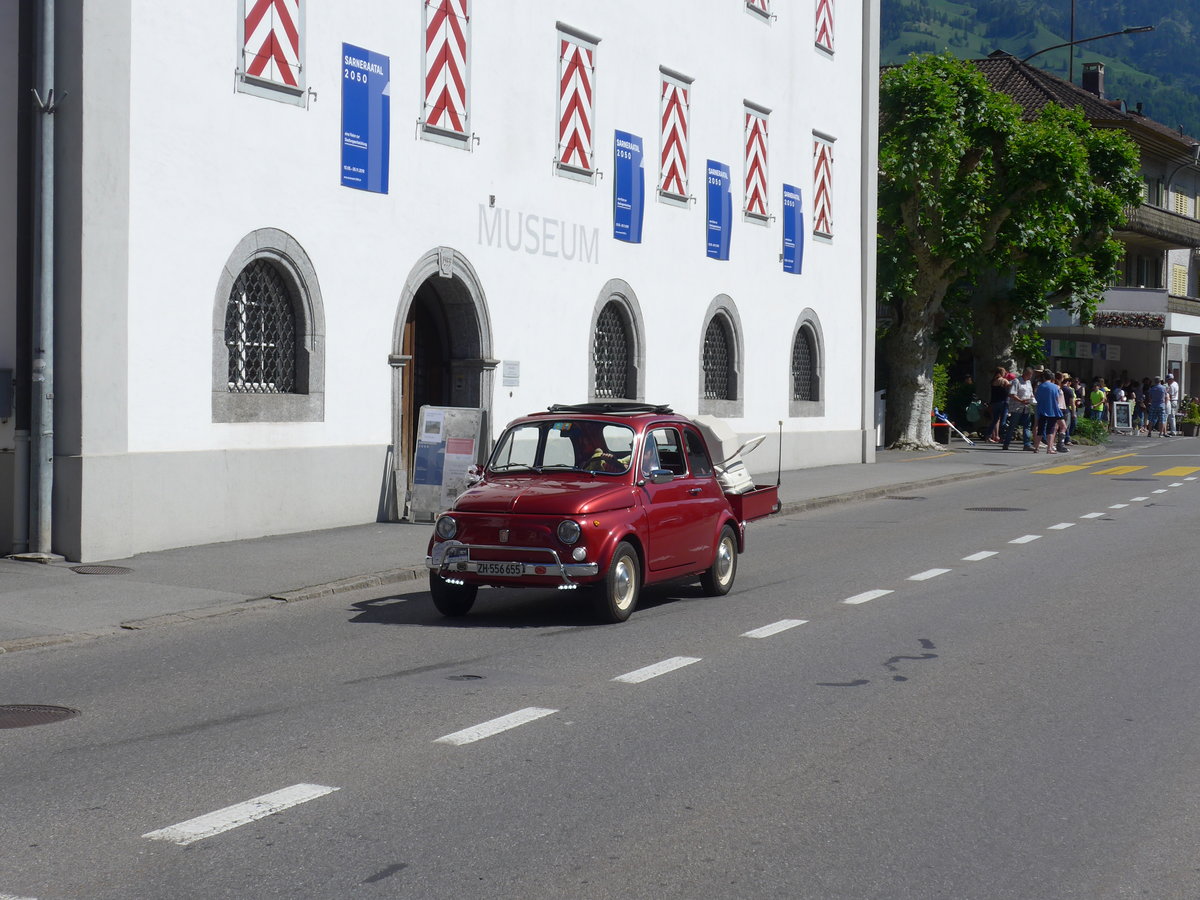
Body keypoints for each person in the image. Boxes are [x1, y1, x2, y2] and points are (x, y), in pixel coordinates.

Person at [1002, 366, 1034, 451]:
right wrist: (1020, 400)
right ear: (1026, 374)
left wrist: (1032, 398)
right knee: (1013, 425)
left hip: (1026, 407)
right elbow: (1012, 394)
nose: (1030, 377)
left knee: (1027, 426)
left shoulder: (1029, 382)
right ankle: (1006, 443)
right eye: (1030, 375)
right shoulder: (1017, 381)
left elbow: (1030, 393)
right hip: (1017, 407)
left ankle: (1027, 444)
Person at [1034, 370, 1063, 454]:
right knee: (1050, 430)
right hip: (1053, 410)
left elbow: (1037, 398)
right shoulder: (1055, 387)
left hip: (1042, 410)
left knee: (1040, 429)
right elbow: (1057, 400)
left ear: (1043, 377)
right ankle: (1049, 449)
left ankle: (1036, 448)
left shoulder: (1040, 386)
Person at [987, 366, 1010, 442]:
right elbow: (1010, 388)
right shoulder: (1004, 381)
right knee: (1003, 420)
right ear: (1001, 373)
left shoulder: (993, 381)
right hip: (1003, 402)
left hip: (994, 403)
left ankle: (988, 435)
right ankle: (1002, 437)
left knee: (995, 420)